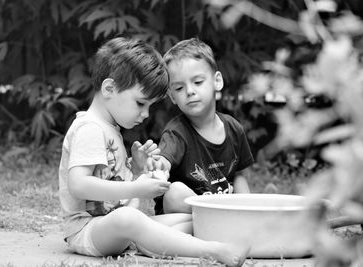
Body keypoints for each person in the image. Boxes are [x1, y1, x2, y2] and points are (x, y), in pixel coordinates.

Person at [58, 36, 249, 266]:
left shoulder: (110, 128)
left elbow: (114, 188)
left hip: (119, 227)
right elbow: (78, 185)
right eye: (141, 103)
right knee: (129, 218)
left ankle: (196, 241)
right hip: (88, 230)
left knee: (185, 217)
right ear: (109, 88)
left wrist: (137, 171)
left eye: (149, 106)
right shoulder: (89, 127)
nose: (146, 114)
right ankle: (214, 250)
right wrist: (136, 187)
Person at [154, 38, 254, 215]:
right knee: (174, 192)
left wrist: (248, 210)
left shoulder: (233, 128)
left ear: (217, 81)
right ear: (172, 97)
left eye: (198, 82)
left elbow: (239, 176)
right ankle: (215, 224)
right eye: (179, 88)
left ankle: (222, 224)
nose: (190, 91)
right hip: (185, 213)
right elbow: (164, 161)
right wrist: (157, 164)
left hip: (223, 208)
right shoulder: (176, 132)